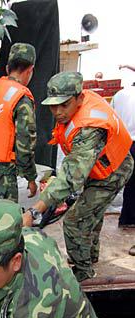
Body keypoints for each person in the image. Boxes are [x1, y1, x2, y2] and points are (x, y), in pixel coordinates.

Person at [22, 71, 134, 282]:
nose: (57, 112)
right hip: (100, 167)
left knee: (74, 220)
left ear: (79, 98)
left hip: (113, 172)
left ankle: (83, 272)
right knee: (92, 213)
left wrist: (34, 211)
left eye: (64, 105)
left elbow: (71, 177)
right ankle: (91, 256)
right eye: (53, 106)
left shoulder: (89, 128)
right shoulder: (79, 107)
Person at [0, 43, 38, 203]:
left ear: (7, 68)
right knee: (4, 221)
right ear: (30, 70)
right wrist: (31, 177)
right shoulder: (21, 98)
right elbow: (25, 143)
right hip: (3, 171)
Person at [112, 82, 135, 256]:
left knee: (127, 183)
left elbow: (112, 117)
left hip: (123, 141)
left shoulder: (120, 94)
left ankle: (126, 218)